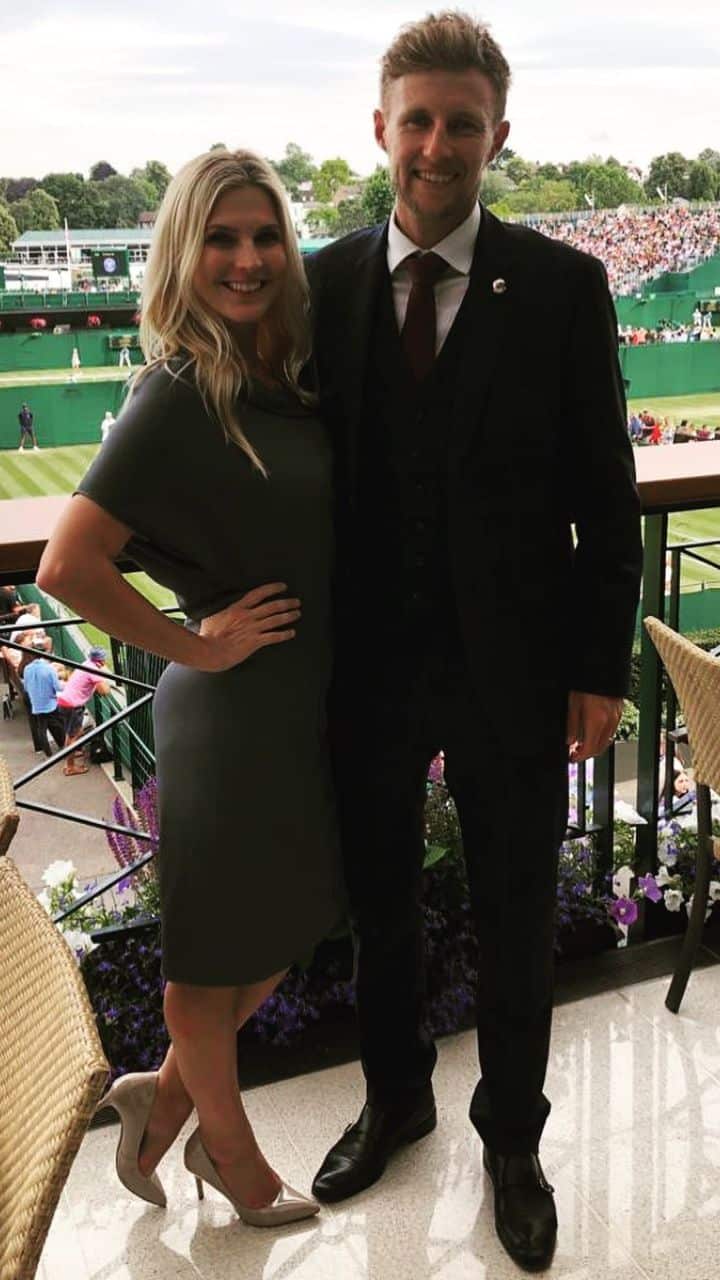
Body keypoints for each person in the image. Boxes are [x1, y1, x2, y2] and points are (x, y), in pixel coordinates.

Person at [305, 12, 643, 1272]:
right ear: (380, 128)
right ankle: (396, 1096)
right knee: (380, 903)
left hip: (516, 667)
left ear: (500, 134)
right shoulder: (321, 282)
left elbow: (606, 494)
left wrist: (599, 666)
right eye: (418, 120)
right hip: (366, 668)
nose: (437, 145)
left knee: (513, 910)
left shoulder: (563, 285)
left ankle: (513, 1141)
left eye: (462, 123)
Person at [38, 147, 344, 1227]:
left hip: (300, 704)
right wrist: (197, 647)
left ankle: (160, 1101)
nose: (247, 259)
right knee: (210, 958)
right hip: (232, 708)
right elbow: (67, 564)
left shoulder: (285, 374)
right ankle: (230, 1152)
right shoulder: (177, 390)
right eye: (221, 237)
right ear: (182, 250)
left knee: (292, 922)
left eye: (265, 236)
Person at [56, 645, 112, 775]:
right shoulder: (93, 670)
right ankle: (70, 767)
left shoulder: (86, 663)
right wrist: (105, 682)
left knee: (75, 733)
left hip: (65, 702)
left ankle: (70, 756)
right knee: (73, 736)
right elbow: (104, 691)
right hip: (72, 705)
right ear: (101, 660)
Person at [21, 639, 66, 755]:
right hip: (50, 703)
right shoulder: (49, 668)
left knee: (41, 728)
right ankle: (63, 744)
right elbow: (57, 687)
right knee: (58, 722)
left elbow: (26, 687)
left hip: (36, 704)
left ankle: (48, 752)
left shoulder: (27, 668)